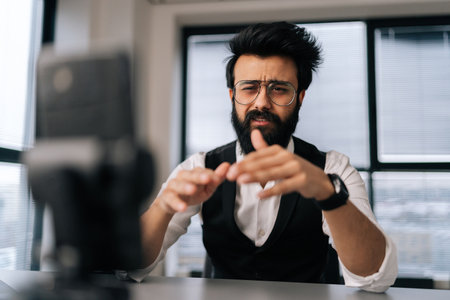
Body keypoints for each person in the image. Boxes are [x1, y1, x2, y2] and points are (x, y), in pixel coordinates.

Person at [125, 22, 398, 292]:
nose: (261, 103)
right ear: (232, 96)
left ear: (300, 97)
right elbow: (130, 266)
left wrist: (330, 194)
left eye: (279, 88)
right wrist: (163, 208)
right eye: (249, 87)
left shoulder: (333, 168)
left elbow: (375, 279)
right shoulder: (199, 166)